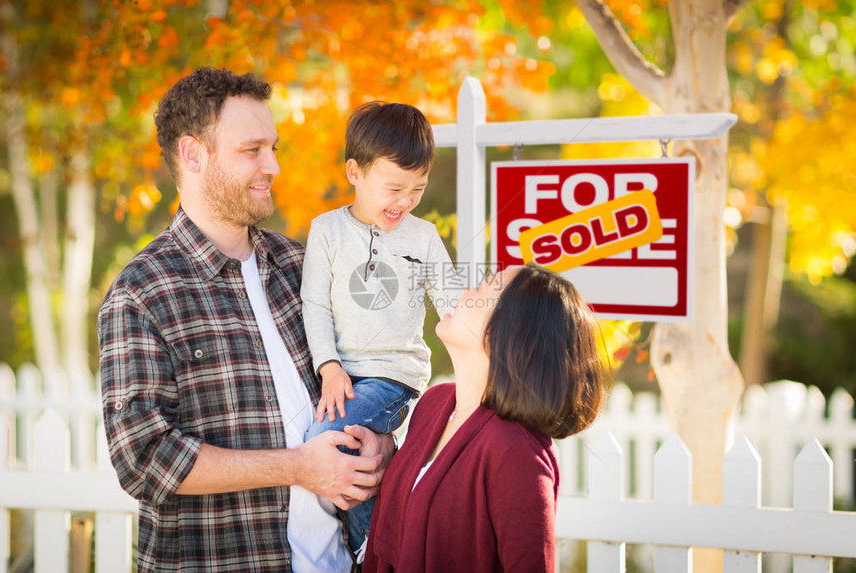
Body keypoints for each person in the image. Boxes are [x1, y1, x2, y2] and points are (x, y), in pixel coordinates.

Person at [98, 67, 394, 573]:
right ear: (193, 155)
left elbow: (370, 377)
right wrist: (298, 468)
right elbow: (144, 459)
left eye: (273, 147)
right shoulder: (142, 292)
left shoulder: (303, 266)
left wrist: (381, 442)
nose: (273, 166)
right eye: (251, 150)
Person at [362, 263, 609, 573]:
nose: (465, 292)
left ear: (510, 332)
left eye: (481, 291)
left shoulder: (517, 452)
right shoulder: (434, 403)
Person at [300, 101, 462, 558]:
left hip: (394, 379)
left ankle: (372, 546)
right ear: (355, 172)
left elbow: (452, 302)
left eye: (417, 189)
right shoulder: (326, 232)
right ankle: (372, 544)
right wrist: (330, 368)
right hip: (344, 377)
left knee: (324, 438)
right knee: (336, 442)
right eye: (394, 188)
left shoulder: (423, 236)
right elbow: (314, 305)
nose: (405, 202)